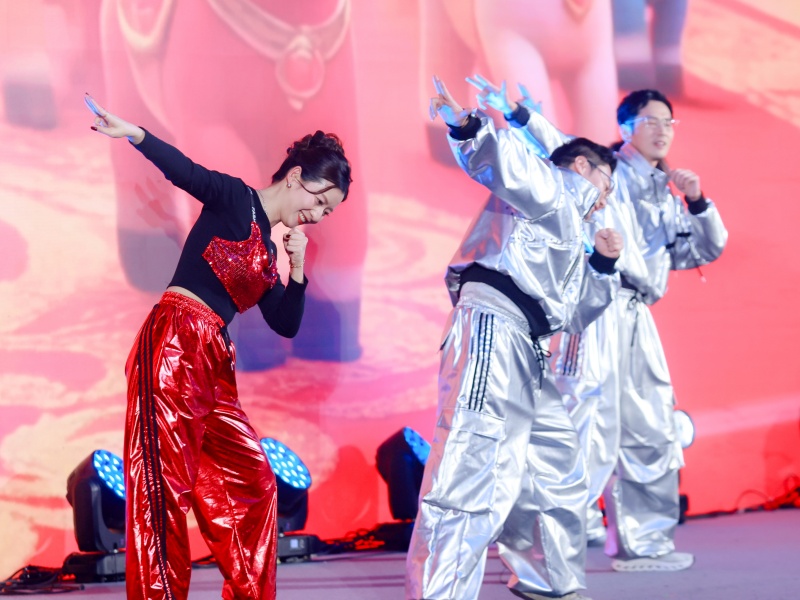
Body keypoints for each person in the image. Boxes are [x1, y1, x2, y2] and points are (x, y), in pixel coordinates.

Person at [86, 94, 351, 600]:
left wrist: (297, 270)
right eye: (320, 200)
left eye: (328, 211)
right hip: (173, 343)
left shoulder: (269, 252)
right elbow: (185, 171)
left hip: (213, 363)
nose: (319, 214)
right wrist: (135, 133)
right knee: (163, 490)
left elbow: (286, 323)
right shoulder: (236, 199)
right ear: (295, 177)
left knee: (254, 484)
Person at [486, 81, 727, 572]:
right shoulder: (607, 169)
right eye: (650, 121)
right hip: (598, 306)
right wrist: (519, 115)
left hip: (638, 316)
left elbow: (700, 250)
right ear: (626, 127)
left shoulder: (668, 191)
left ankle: (645, 541)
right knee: (583, 424)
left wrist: (698, 201)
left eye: (669, 122)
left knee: (651, 427)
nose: (662, 131)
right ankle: (542, 543)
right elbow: (560, 147)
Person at [406, 77, 623, 600]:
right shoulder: (554, 187)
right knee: (471, 463)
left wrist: (602, 264)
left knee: (556, 460)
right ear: (581, 167)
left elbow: (575, 315)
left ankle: (550, 581)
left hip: (527, 346)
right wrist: (466, 125)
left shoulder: (572, 226)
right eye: (607, 183)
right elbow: (502, 162)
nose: (608, 198)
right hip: (493, 326)